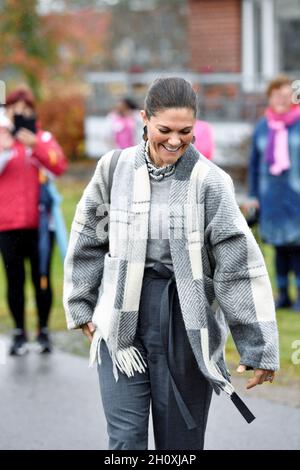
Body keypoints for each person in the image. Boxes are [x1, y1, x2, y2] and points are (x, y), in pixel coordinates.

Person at [64, 77, 279, 450]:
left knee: (180, 443)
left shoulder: (210, 182)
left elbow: (237, 266)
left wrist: (258, 346)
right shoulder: (113, 170)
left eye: (186, 132)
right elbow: (88, 236)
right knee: (125, 442)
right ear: (144, 119)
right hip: (120, 320)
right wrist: (82, 303)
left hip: (185, 320)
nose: (175, 141)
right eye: (164, 130)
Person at [0, 86, 68, 356]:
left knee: (42, 279)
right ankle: (18, 332)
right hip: (7, 224)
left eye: (25, 109)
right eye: (14, 110)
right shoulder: (2, 140)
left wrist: (34, 145)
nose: (20, 115)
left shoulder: (43, 138)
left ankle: (43, 331)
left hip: (40, 225)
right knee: (14, 279)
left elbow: (58, 165)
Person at [248, 75, 300, 312]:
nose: (281, 99)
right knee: (278, 247)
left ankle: (299, 295)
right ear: (269, 97)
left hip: (295, 195)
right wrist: (252, 195)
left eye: (285, 94)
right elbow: (254, 164)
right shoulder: (262, 126)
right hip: (270, 197)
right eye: (276, 94)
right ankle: (282, 295)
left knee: (298, 247)